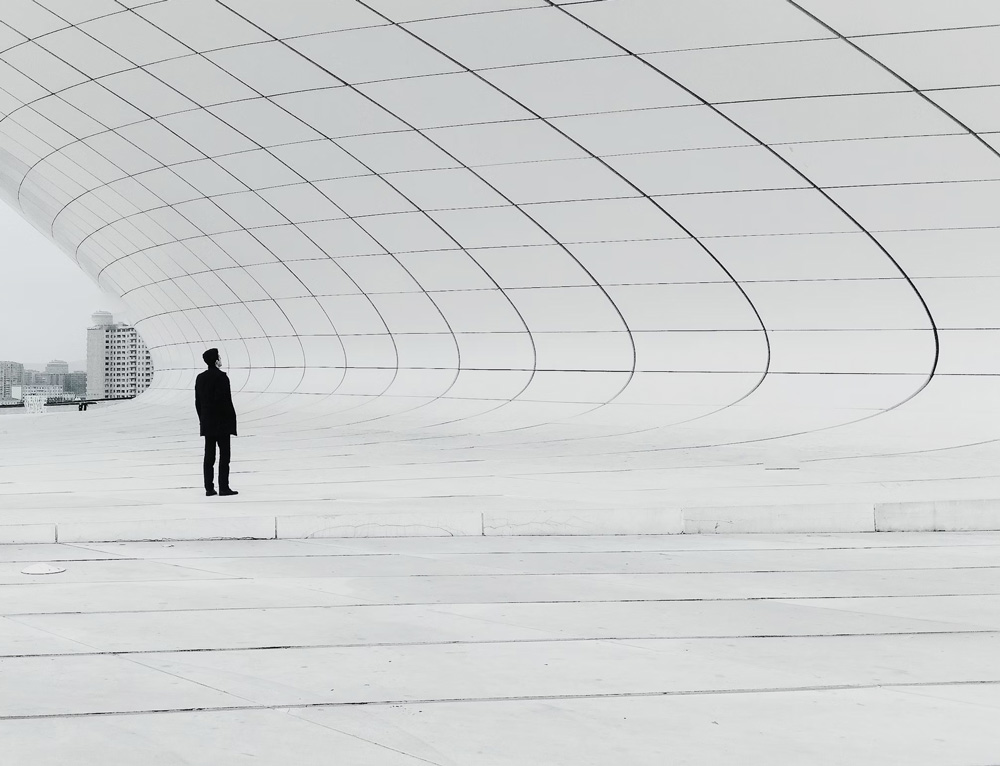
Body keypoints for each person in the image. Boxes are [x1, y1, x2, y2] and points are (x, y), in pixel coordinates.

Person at [195, 348, 238, 497]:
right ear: (215, 360)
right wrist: (231, 420)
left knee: (209, 456)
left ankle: (209, 488)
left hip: (208, 423)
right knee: (224, 456)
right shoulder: (222, 377)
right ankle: (224, 487)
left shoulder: (200, 378)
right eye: (219, 357)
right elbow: (226, 401)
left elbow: (198, 402)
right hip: (222, 423)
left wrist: (203, 419)